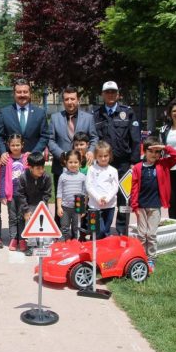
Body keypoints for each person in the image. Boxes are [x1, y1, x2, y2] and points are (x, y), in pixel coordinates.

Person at [94, 81, 141, 235]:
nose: (110, 94)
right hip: (103, 165)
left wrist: (134, 162)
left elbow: (135, 138)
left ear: (118, 94)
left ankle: (122, 231)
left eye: (113, 92)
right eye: (107, 92)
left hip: (124, 164)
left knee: (123, 198)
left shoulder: (127, 112)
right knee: (102, 196)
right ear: (102, 94)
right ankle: (103, 230)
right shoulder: (96, 114)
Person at [131, 137, 176, 270]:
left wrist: (165, 147)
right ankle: (141, 256)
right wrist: (134, 204)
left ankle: (151, 258)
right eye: (151, 151)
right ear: (144, 151)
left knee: (151, 234)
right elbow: (134, 187)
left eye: (157, 152)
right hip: (141, 206)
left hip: (155, 205)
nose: (154, 154)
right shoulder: (137, 167)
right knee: (142, 234)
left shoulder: (163, 164)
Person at [48, 86, 97, 191]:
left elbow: (94, 138)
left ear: (78, 100)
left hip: (83, 167)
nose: (70, 102)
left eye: (72, 99)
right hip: (61, 167)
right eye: (66, 99)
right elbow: (50, 140)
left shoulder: (88, 118)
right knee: (61, 203)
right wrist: (62, 155)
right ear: (63, 101)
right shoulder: (55, 118)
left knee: (83, 202)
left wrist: (91, 151)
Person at [0, 79, 50, 165]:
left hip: (33, 162)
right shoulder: (4, 112)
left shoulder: (40, 113)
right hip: (10, 161)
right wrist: (2, 152)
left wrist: (34, 153)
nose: (22, 95)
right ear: (14, 94)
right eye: (19, 92)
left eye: (25, 92)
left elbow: (45, 136)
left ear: (30, 93)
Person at [16, 152, 53, 256]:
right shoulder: (23, 178)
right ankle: (32, 245)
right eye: (38, 168)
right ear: (30, 167)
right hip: (29, 205)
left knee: (46, 222)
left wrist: (42, 208)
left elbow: (47, 194)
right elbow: (21, 195)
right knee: (29, 221)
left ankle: (46, 244)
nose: (41, 171)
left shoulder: (47, 177)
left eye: (42, 167)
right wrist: (26, 210)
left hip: (42, 204)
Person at [0, 134, 29, 251]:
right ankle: (13, 238)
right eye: (13, 145)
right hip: (10, 195)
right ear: (8, 145)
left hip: (23, 195)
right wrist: (2, 194)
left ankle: (22, 239)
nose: (15, 147)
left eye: (18, 145)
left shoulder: (26, 158)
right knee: (12, 218)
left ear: (22, 145)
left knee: (21, 217)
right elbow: (2, 178)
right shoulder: (6, 159)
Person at [86, 141, 119, 238]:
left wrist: (107, 199)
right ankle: (94, 249)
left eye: (105, 156)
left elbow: (115, 187)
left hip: (110, 205)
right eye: (100, 156)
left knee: (106, 231)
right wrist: (98, 198)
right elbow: (89, 186)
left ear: (110, 155)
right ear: (96, 156)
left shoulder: (113, 170)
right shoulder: (92, 169)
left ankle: (105, 251)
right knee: (99, 230)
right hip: (95, 206)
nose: (103, 158)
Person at [56, 150, 87, 241]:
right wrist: (59, 207)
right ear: (66, 163)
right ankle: (67, 240)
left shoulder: (82, 177)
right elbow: (59, 193)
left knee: (76, 227)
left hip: (77, 209)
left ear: (80, 163)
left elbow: (85, 194)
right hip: (65, 207)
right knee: (64, 226)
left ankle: (75, 241)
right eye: (70, 162)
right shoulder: (63, 176)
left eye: (75, 162)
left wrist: (83, 209)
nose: (73, 164)